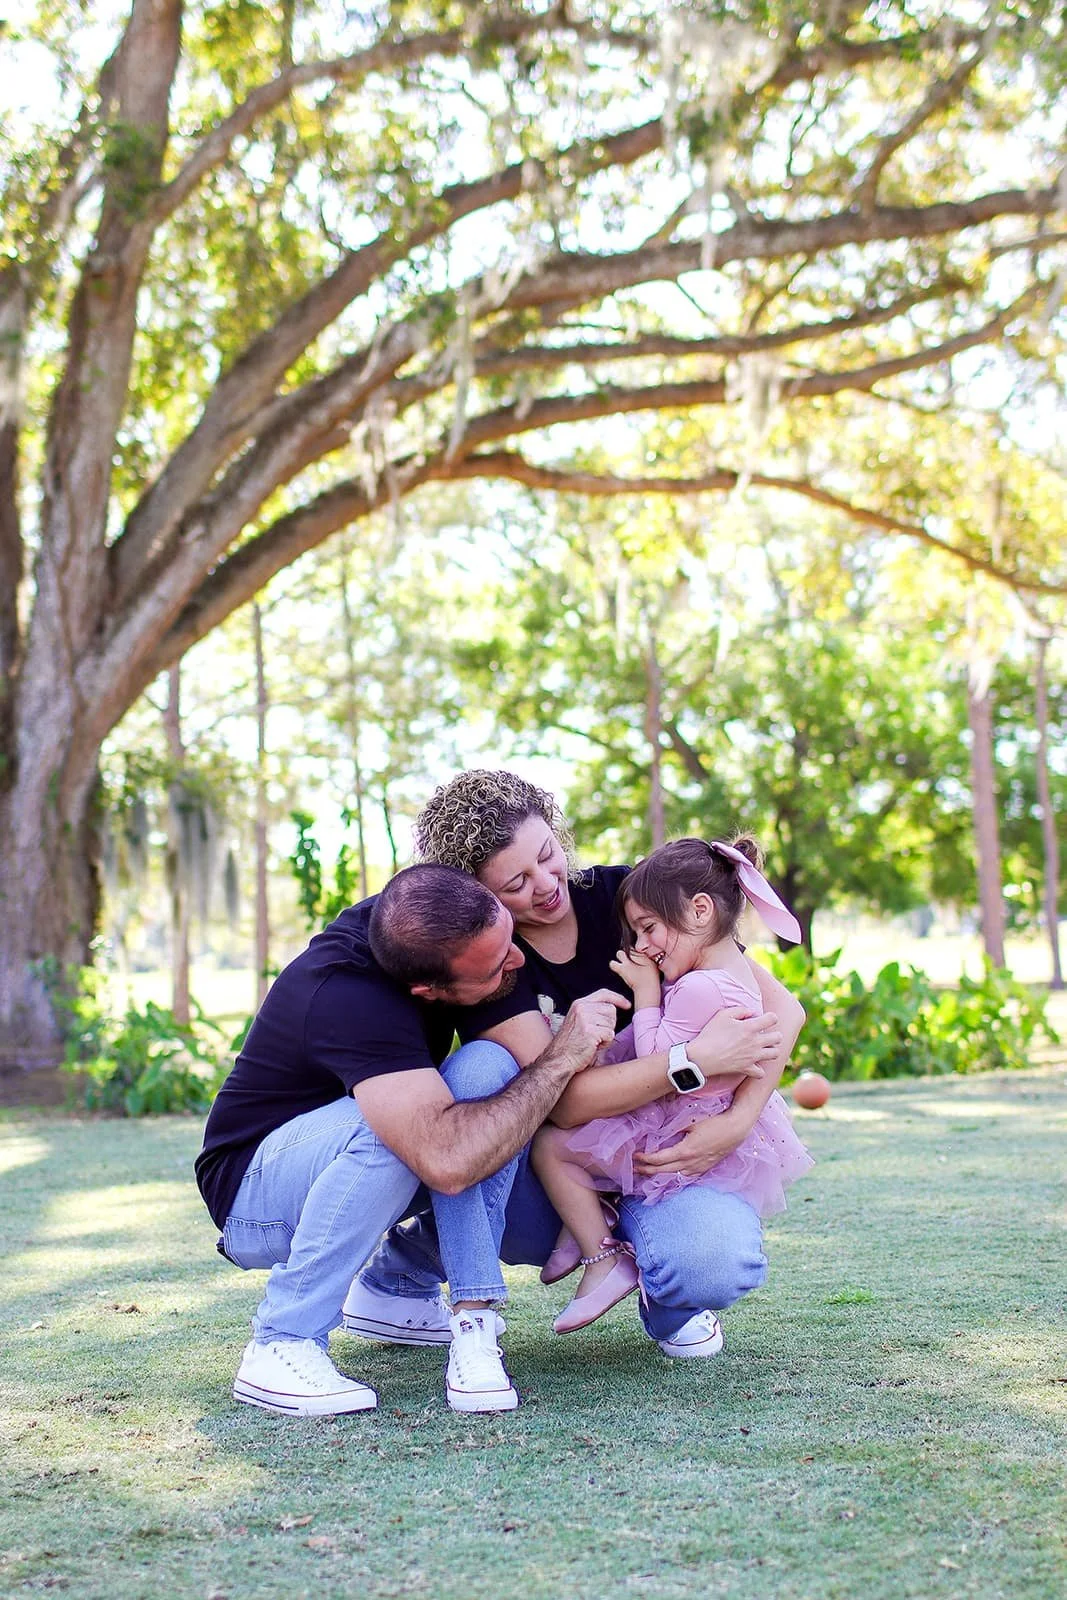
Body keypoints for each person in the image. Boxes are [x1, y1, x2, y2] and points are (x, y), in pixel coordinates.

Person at [343, 770, 804, 1360]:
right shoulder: (496, 958)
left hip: (666, 1145)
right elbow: (565, 1101)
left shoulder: (631, 900)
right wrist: (688, 1062)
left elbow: (781, 1011)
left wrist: (738, 1120)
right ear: (479, 898)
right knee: (508, 1138)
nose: (545, 885)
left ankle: (670, 1297)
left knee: (711, 1264)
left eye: (547, 854)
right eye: (516, 882)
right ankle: (409, 1262)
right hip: (564, 1160)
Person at [194, 863, 623, 1417]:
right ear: (429, 990)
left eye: (510, 943)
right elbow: (443, 1158)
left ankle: (396, 1284)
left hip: (350, 1162)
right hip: (253, 1193)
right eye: (498, 965)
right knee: (407, 1134)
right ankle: (283, 1341)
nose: (519, 960)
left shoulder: (449, 923)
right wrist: (565, 1053)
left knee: (495, 1095)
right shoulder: (351, 993)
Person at [531, 835, 814, 1333]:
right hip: (684, 1109)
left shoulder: (699, 981)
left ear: (701, 910)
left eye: (647, 929)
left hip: (672, 1115)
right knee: (575, 1145)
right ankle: (594, 1232)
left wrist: (645, 992)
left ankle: (602, 1254)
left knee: (554, 1148)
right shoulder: (718, 966)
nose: (639, 945)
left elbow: (656, 1053)